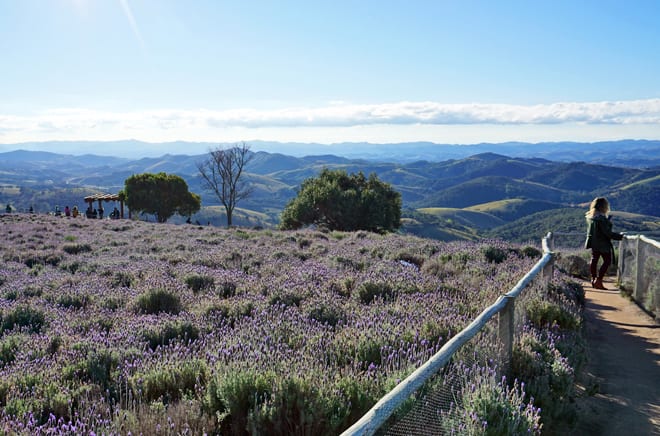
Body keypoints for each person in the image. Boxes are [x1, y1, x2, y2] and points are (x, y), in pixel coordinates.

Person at [584, 197, 623, 290]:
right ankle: (599, 280)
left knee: (594, 260)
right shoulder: (601, 218)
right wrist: (621, 237)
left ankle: (593, 279)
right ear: (604, 206)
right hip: (603, 243)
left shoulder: (590, 217)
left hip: (593, 242)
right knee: (607, 261)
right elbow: (607, 233)